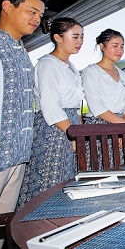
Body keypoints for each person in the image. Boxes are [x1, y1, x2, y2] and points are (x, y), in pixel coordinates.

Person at [0, 0, 48, 249]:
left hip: (17, 160)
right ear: (7, 6)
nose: (37, 20)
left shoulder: (22, 52)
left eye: (41, 16)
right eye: (32, 11)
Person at [17, 17, 85, 208]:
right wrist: (72, 134)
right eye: (75, 36)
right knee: (48, 179)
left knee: (65, 179)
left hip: (70, 126)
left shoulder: (70, 68)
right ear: (58, 37)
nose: (80, 41)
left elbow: (76, 105)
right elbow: (50, 106)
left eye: (81, 37)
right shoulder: (48, 64)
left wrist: (78, 132)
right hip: (54, 128)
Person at [81, 29, 125, 169]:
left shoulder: (123, 75)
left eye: (122, 46)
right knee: (100, 170)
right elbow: (98, 108)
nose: (119, 50)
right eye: (115, 45)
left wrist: (124, 130)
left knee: (122, 170)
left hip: (122, 127)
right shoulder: (91, 72)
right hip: (100, 128)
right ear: (102, 46)